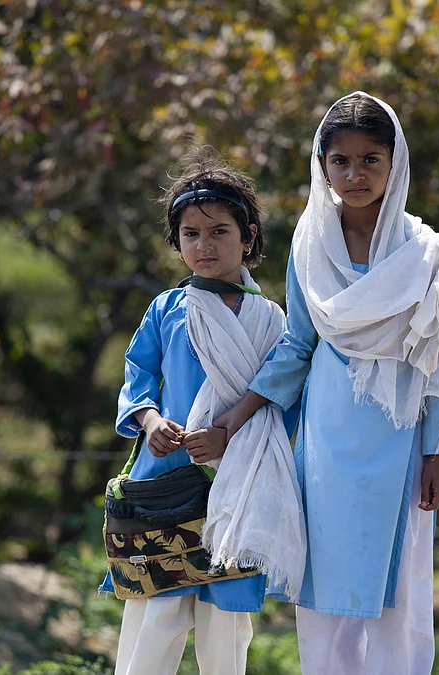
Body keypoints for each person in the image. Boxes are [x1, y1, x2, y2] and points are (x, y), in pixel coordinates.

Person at [214, 92, 439, 674]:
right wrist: (241, 413)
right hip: (326, 437)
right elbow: (299, 344)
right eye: (341, 161)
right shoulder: (310, 244)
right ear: (322, 164)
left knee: (397, 589)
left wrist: (438, 454)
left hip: (400, 438)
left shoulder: (424, 253)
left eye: (370, 160)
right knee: (323, 585)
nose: (355, 175)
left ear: (394, 162)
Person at [101, 150, 300, 675]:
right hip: (165, 480)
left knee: (225, 634)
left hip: (237, 490)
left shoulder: (271, 320)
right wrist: (149, 423)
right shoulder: (167, 308)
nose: (204, 245)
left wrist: (227, 437)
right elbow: (138, 375)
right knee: (155, 623)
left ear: (248, 236)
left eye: (219, 232)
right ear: (176, 240)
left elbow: (281, 396)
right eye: (191, 234)